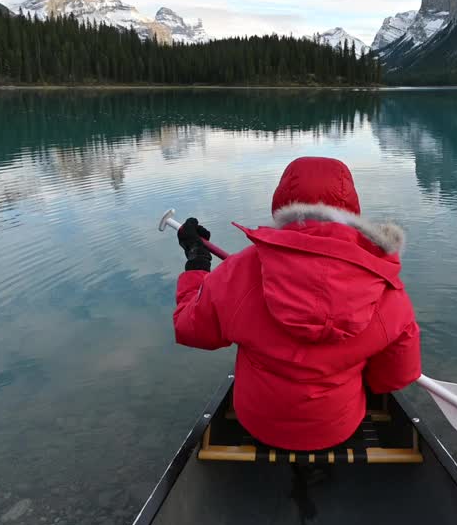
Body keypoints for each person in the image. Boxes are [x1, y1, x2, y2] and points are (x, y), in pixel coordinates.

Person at [172, 156, 421, 451]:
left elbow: (189, 328)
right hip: (338, 425)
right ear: (352, 209)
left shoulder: (239, 271)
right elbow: (395, 376)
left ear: (281, 202)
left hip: (258, 421)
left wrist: (197, 263)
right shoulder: (384, 283)